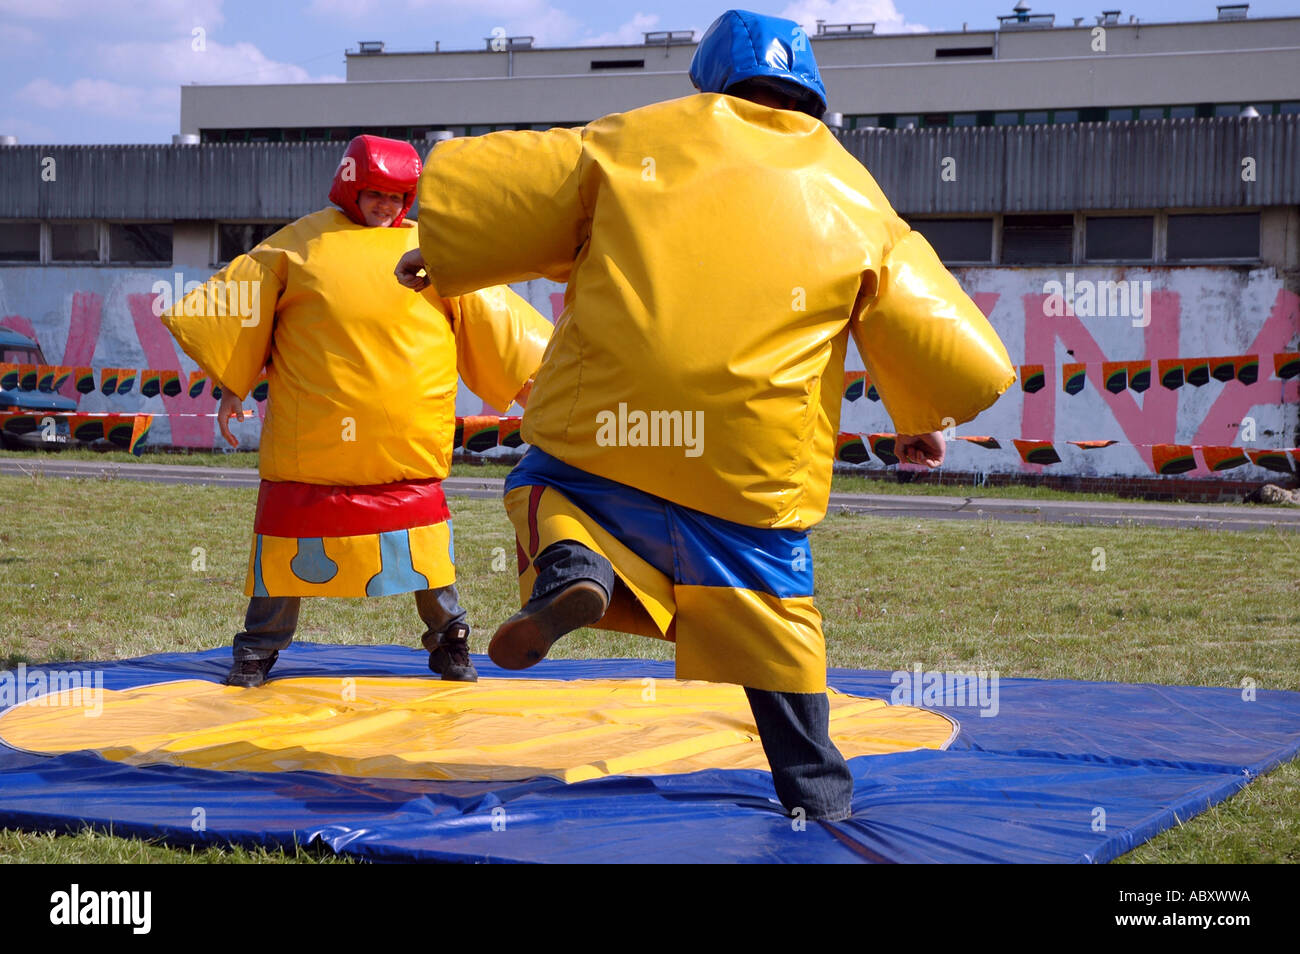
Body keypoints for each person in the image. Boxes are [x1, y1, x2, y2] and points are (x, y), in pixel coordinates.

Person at [396, 10, 1014, 820]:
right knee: (773, 613)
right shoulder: (851, 187)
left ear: (708, 77)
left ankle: (575, 566)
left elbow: (518, 200)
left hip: (612, 427)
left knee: (545, 483)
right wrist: (921, 415)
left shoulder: (627, 140)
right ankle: (816, 790)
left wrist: (439, 256)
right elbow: (917, 314)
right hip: (751, 454)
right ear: (813, 93)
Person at [163, 134, 552, 688]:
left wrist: (540, 389)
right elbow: (243, 315)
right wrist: (232, 383)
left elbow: (495, 322)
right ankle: (257, 648)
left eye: (397, 197)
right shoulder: (300, 245)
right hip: (311, 450)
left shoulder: (434, 250)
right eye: (374, 194)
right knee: (284, 549)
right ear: (349, 186)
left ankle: (450, 640)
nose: (385, 206)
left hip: (403, 447)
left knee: (425, 553)